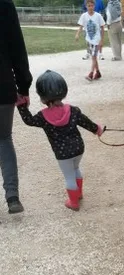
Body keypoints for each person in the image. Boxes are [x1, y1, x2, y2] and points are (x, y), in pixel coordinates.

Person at [16, 70, 105, 211]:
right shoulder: (73, 110)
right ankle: (79, 193)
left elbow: (29, 120)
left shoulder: (42, 116)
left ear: (42, 97)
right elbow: (87, 123)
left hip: (63, 154)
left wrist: (21, 106)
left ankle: (73, 202)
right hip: (79, 149)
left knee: (69, 176)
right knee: (76, 169)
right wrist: (97, 129)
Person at [0, 0, 33, 214]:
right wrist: (23, 85)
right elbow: (17, 48)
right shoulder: (5, 4)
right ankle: (12, 196)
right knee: (3, 138)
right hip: (2, 84)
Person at [76, 0, 106, 81]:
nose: (90, 7)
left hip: (96, 40)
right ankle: (98, 72)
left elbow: (103, 28)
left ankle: (91, 73)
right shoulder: (84, 16)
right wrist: (77, 34)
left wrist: (101, 40)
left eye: (92, 6)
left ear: (94, 6)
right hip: (89, 39)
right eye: (88, 6)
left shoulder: (98, 16)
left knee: (93, 56)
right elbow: (81, 26)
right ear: (86, 6)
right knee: (94, 57)